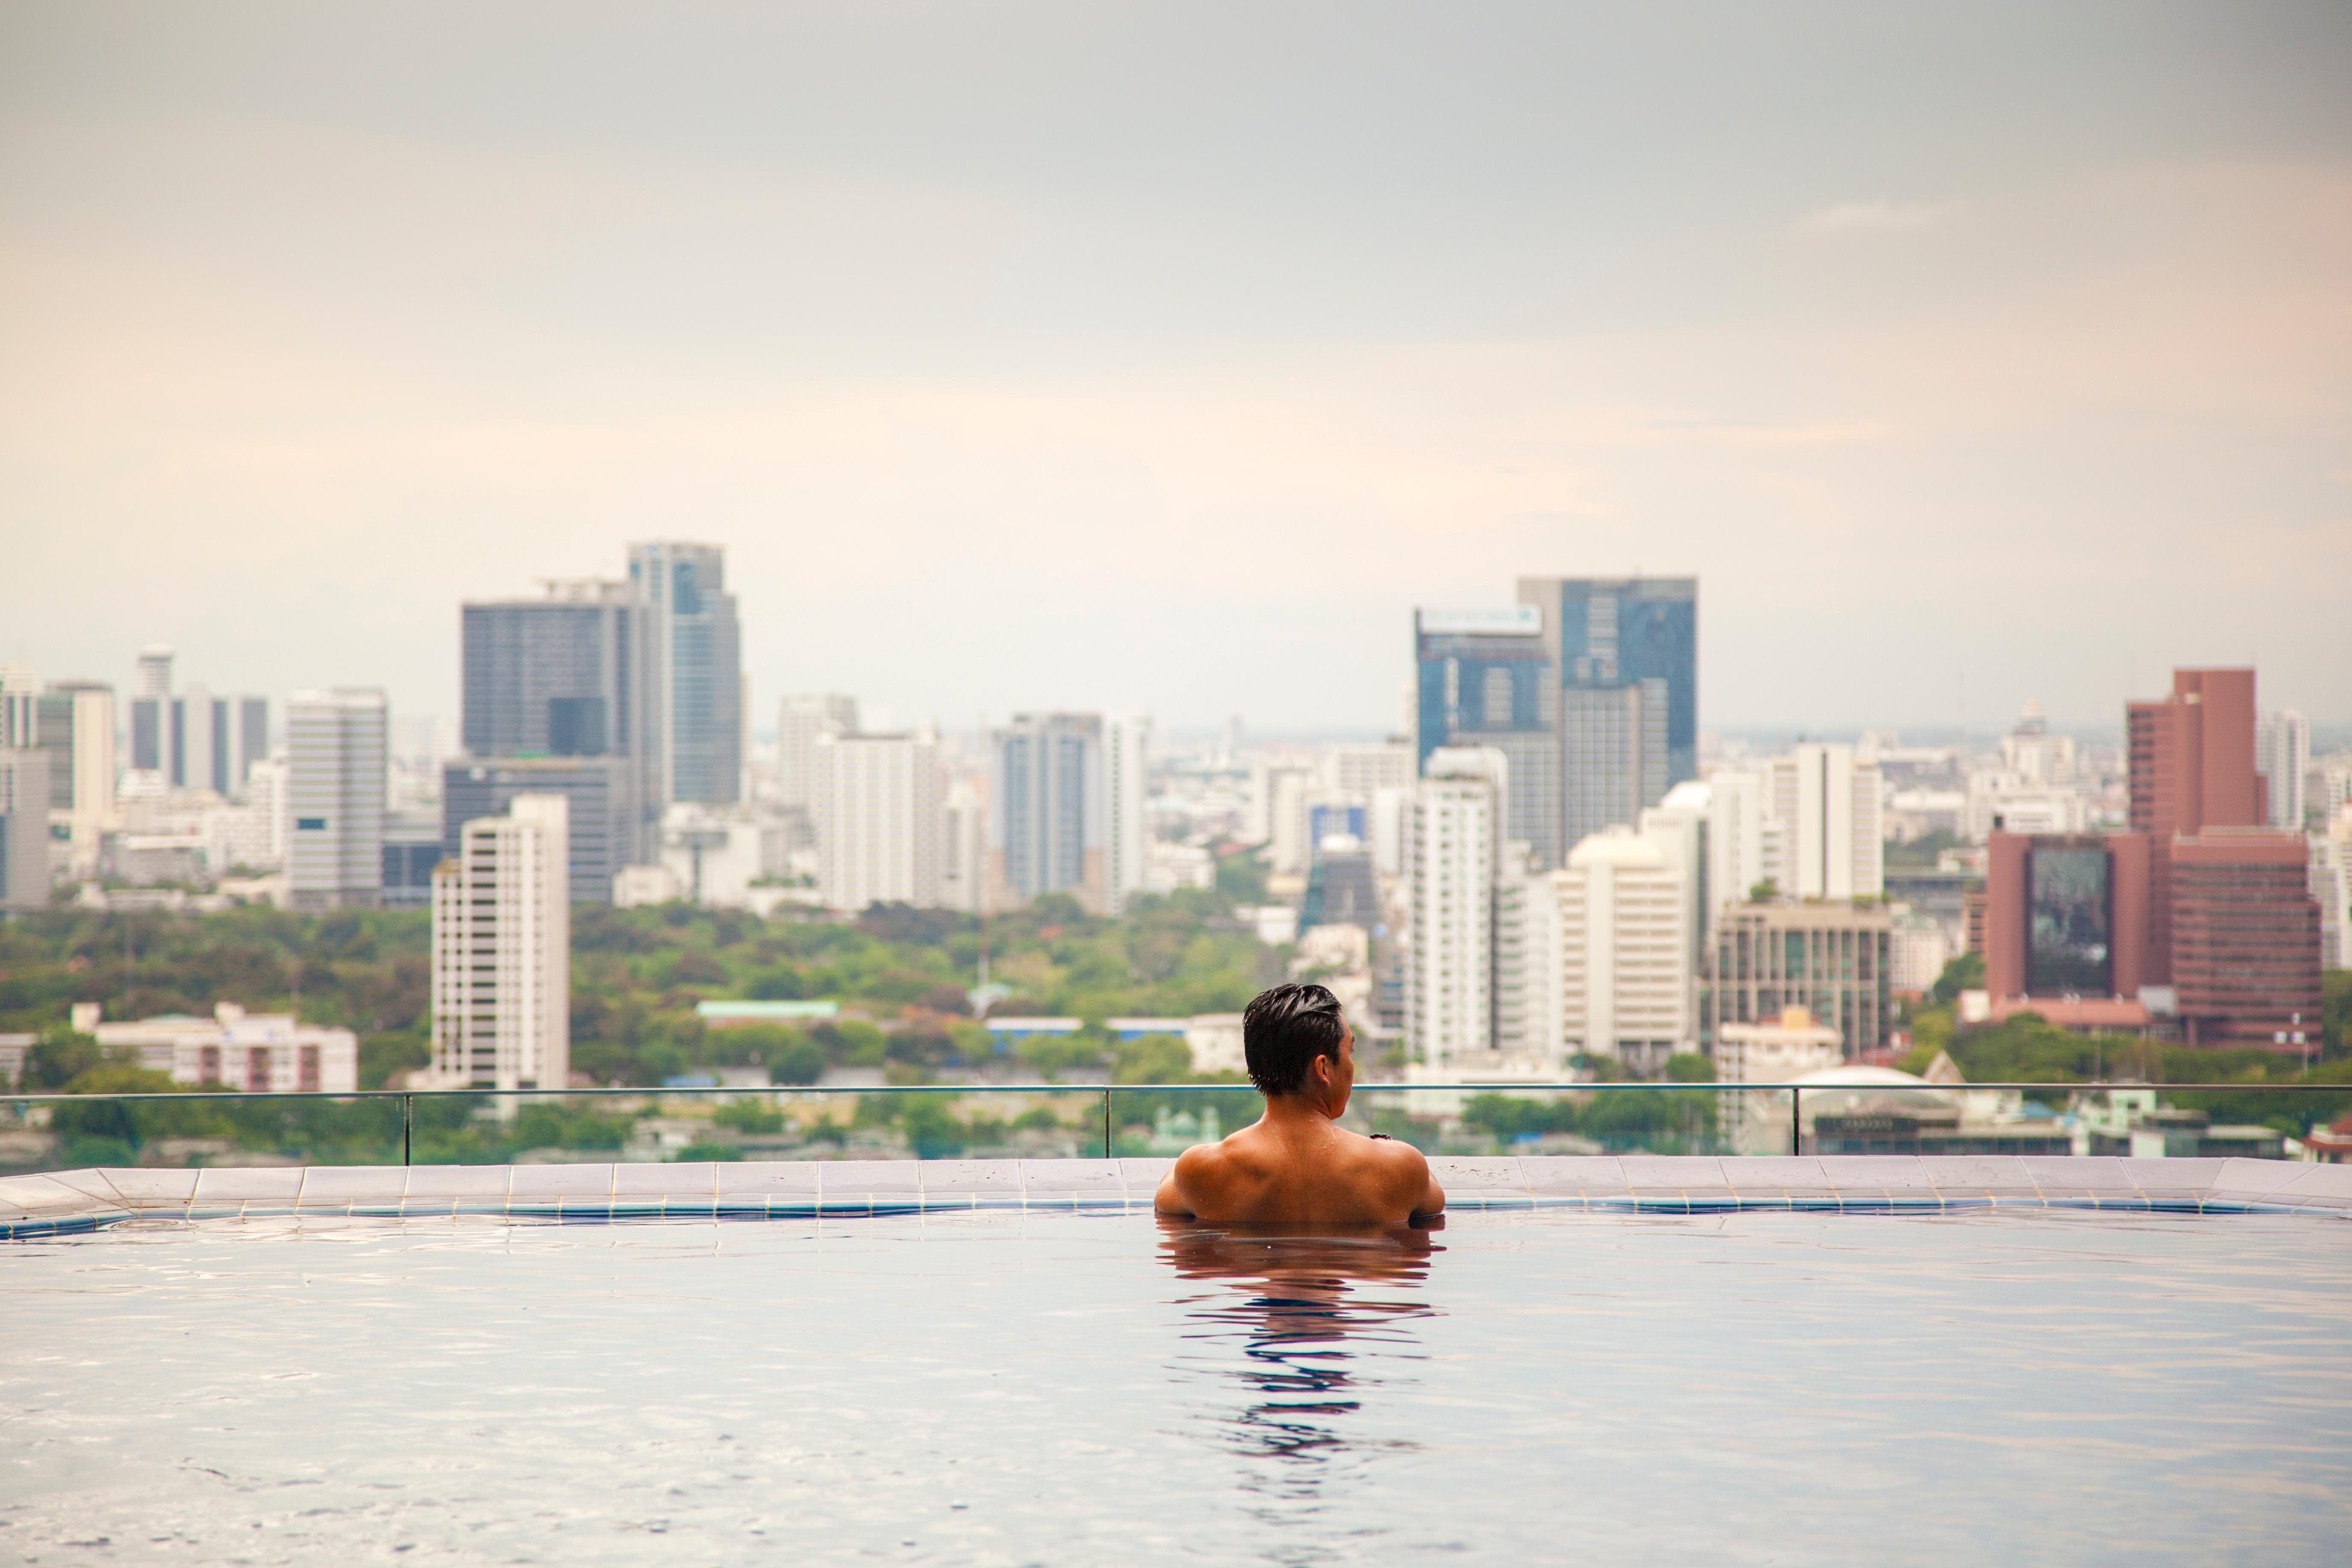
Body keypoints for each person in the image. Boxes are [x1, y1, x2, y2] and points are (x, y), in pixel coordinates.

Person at [1154, 982, 1444, 1226]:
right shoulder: (1399, 1167)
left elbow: (1164, 1199)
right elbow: (1432, 1202)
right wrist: (1384, 1144)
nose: (1352, 1065)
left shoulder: (1202, 1170)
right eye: (1349, 1052)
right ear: (1323, 1069)